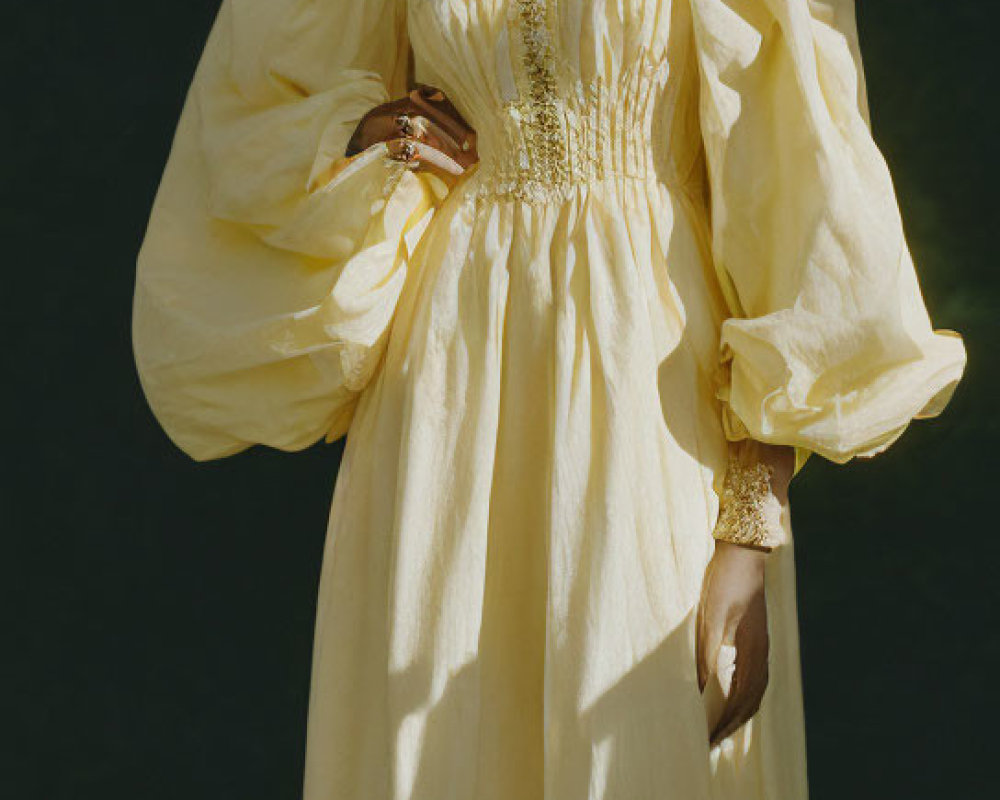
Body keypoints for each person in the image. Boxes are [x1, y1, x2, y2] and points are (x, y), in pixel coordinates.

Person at [132, 0, 966, 797]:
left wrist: (752, 525)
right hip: (448, 391)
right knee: (442, 728)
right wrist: (355, 133)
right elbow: (256, 105)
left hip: (652, 382)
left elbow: (792, 188)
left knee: (642, 725)